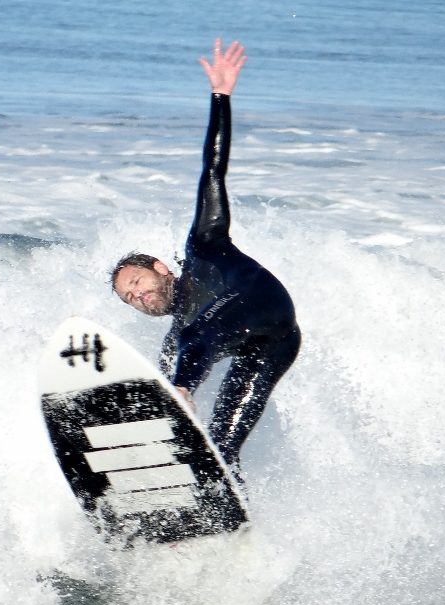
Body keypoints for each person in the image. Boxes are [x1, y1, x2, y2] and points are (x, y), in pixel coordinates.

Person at [110, 39, 301, 475]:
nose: (136, 296)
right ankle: (223, 522)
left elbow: (212, 169)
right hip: (276, 343)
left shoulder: (204, 245)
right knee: (221, 448)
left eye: (135, 283)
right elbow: (180, 350)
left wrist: (221, 96)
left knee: (193, 342)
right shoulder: (181, 331)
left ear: (160, 267)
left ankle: (182, 392)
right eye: (128, 298)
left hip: (264, 303)